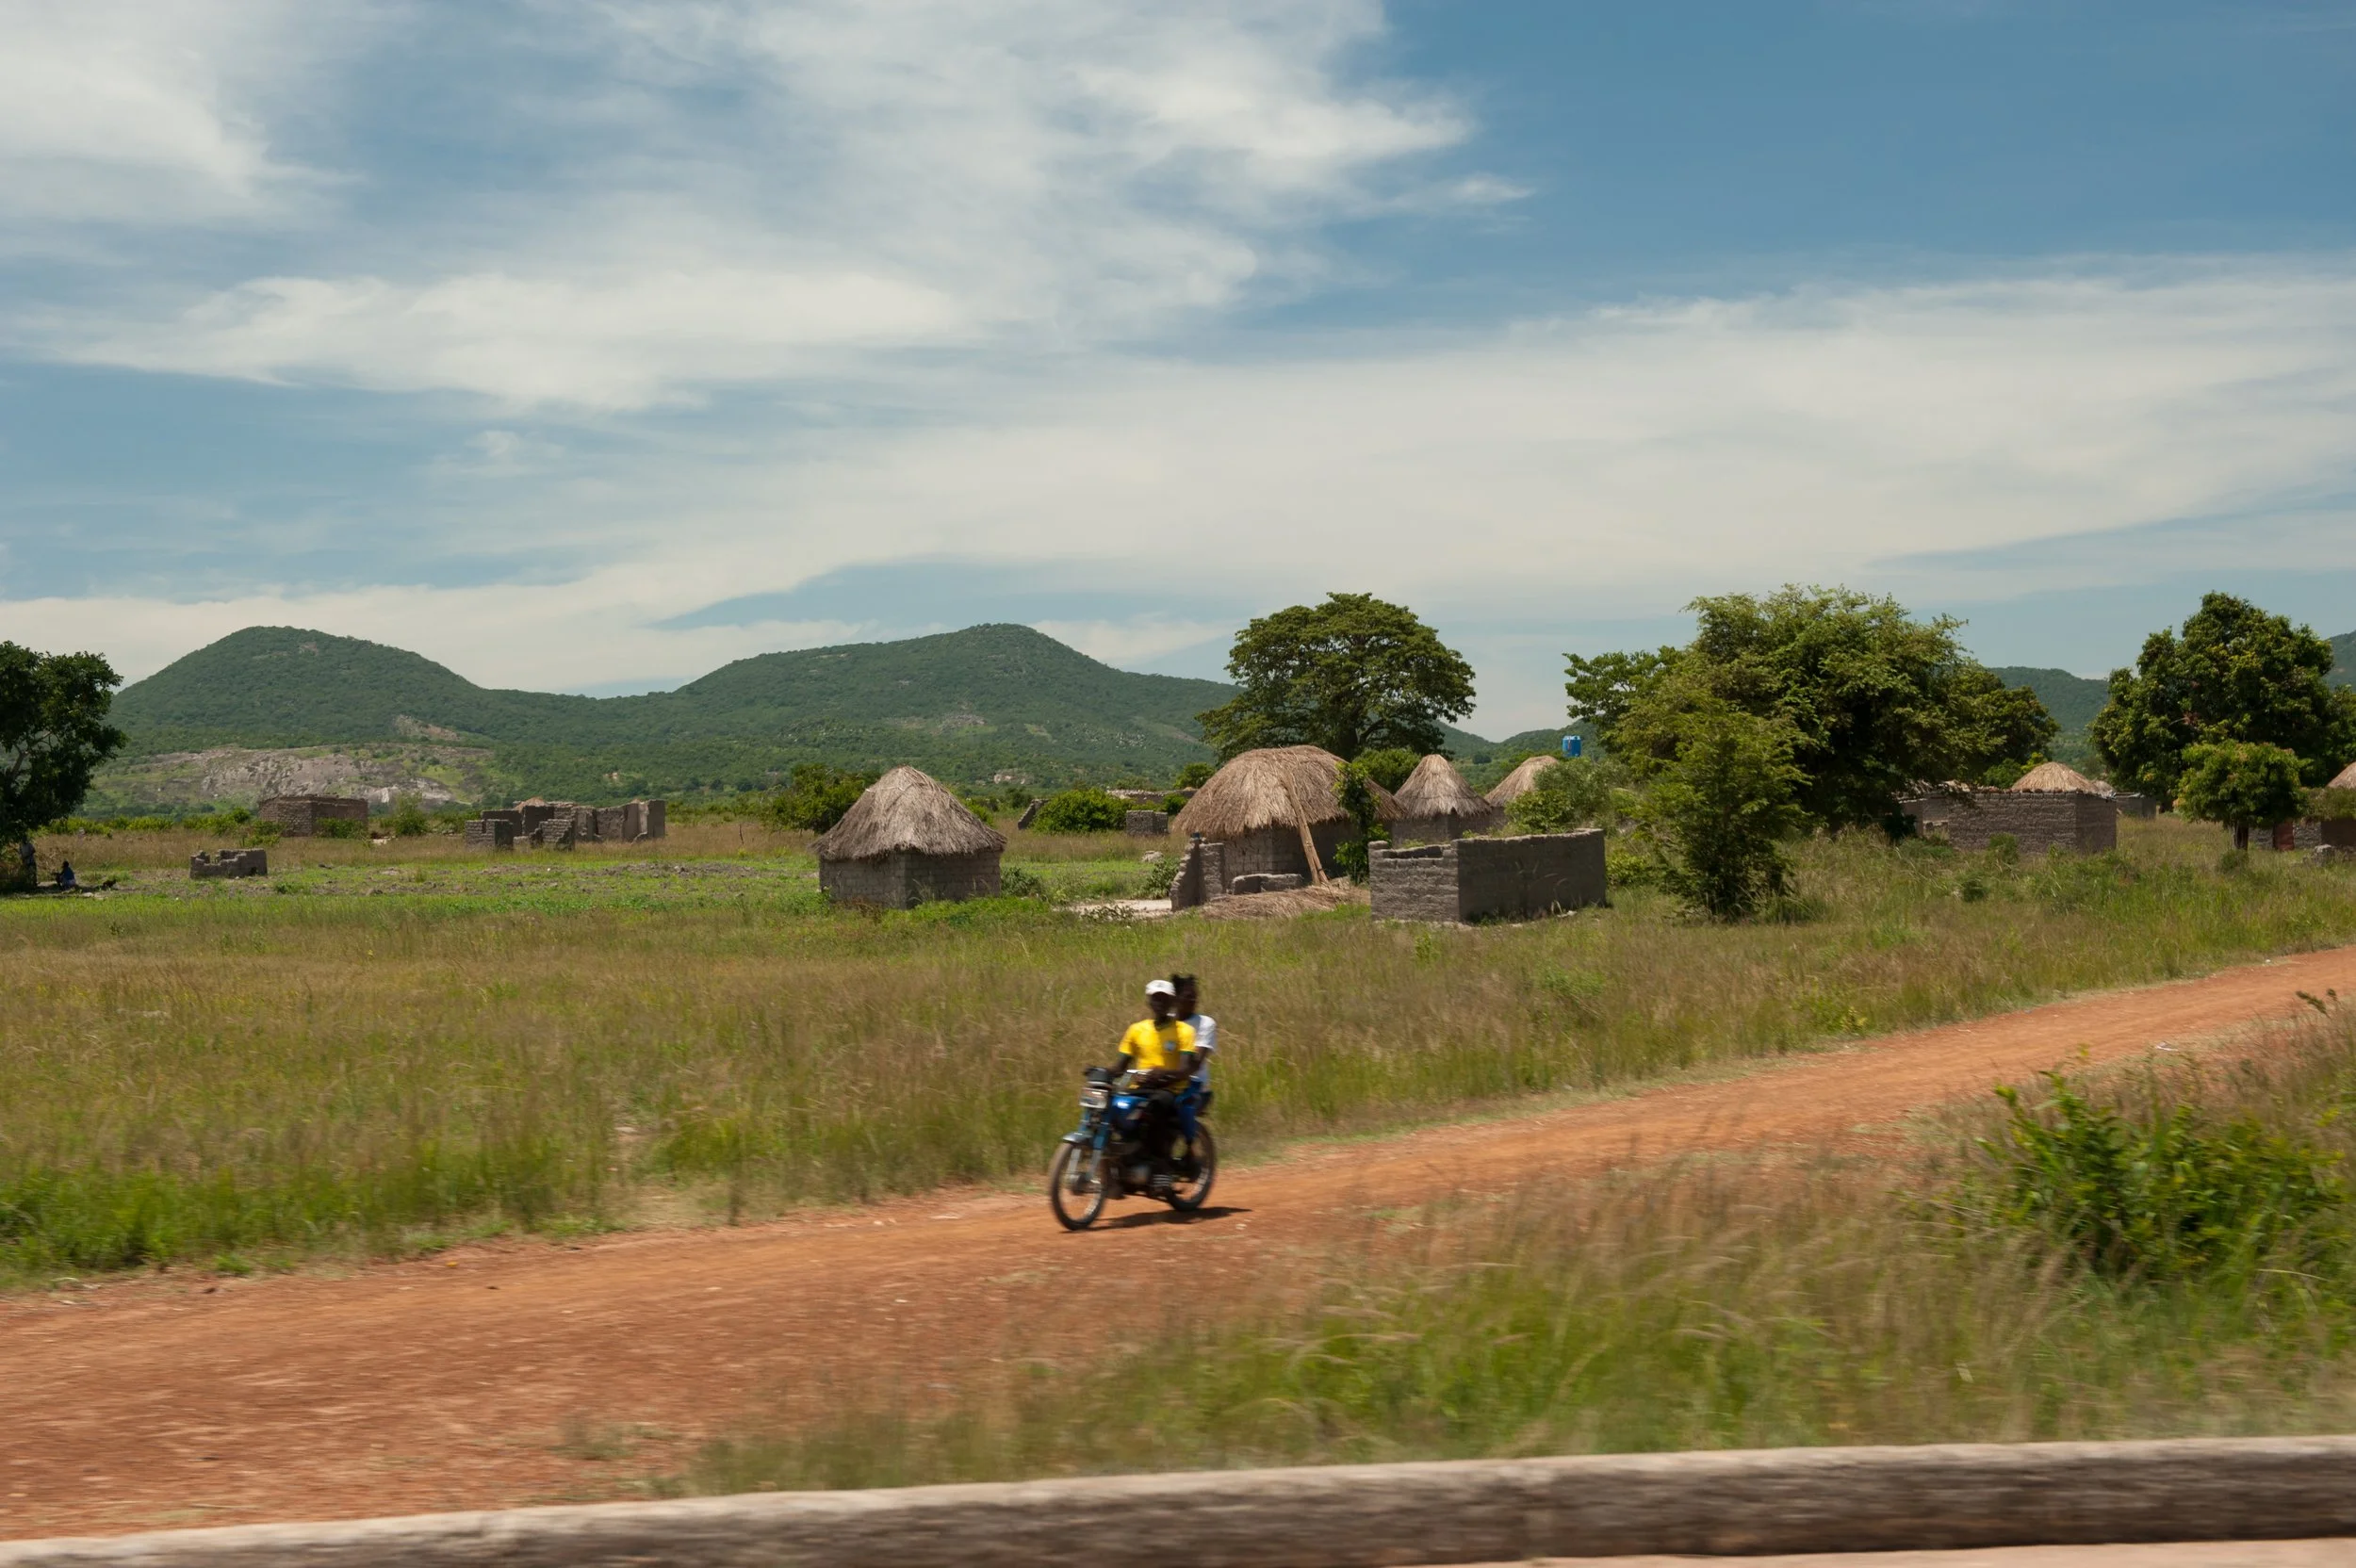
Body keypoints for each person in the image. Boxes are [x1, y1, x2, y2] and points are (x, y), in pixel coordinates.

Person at [1112, 978, 1197, 1194]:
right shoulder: (1136, 1030)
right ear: (1149, 1001)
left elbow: (1186, 1069)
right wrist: (1101, 1073)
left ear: (1172, 1003)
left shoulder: (1184, 1031)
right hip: (1141, 1088)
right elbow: (1120, 1066)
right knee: (1111, 1107)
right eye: (1155, 998)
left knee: (1157, 1105)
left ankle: (1161, 1167)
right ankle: (1120, 1163)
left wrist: (1162, 1074)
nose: (1159, 1002)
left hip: (1171, 1089)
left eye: (1164, 999)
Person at [1170, 972, 1215, 1145]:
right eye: (1188, 997)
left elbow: (1196, 1063)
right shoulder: (1166, 1023)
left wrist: (1169, 1075)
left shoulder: (1205, 1023)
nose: (1193, 1001)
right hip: (1167, 1082)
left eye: (1195, 997)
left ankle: (1189, 1152)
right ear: (1175, 999)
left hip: (1194, 1086)